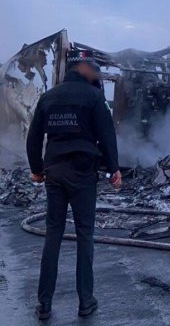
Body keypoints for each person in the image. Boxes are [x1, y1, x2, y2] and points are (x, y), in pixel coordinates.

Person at [26, 50, 122, 320]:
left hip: (54, 171)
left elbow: (33, 138)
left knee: (53, 234)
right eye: (93, 69)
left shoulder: (48, 97)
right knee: (84, 236)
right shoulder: (94, 98)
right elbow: (107, 135)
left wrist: (36, 170)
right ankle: (85, 302)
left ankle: (44, 305)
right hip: (82, 173)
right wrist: (114, 169)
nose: (96, 74)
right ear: (82, 68)